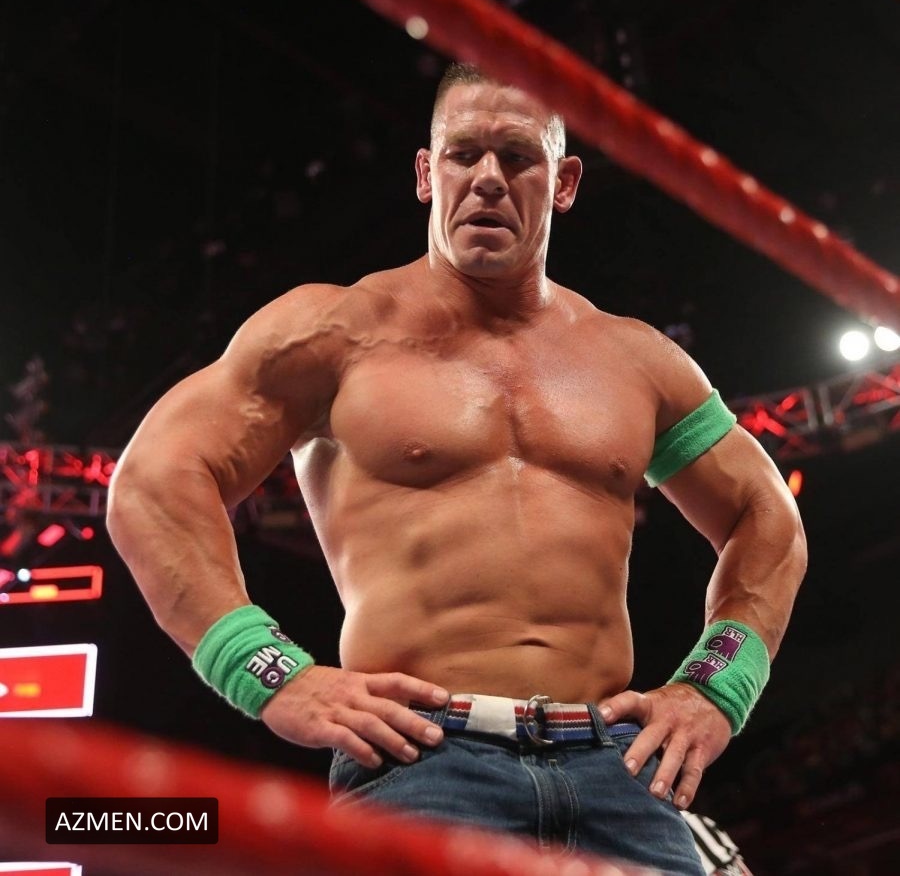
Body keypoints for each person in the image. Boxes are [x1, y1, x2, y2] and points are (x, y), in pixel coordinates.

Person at [106, 63, 807, 874]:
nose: (487, 179)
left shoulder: (638, 361)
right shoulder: (334, 333)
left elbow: (767, 516)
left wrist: (716, 687)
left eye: (518, 157)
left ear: (564, 183)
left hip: (616, 769)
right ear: (424, 172)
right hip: (423, 762)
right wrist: (269, 674)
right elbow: (154, 482)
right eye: (463, 153)